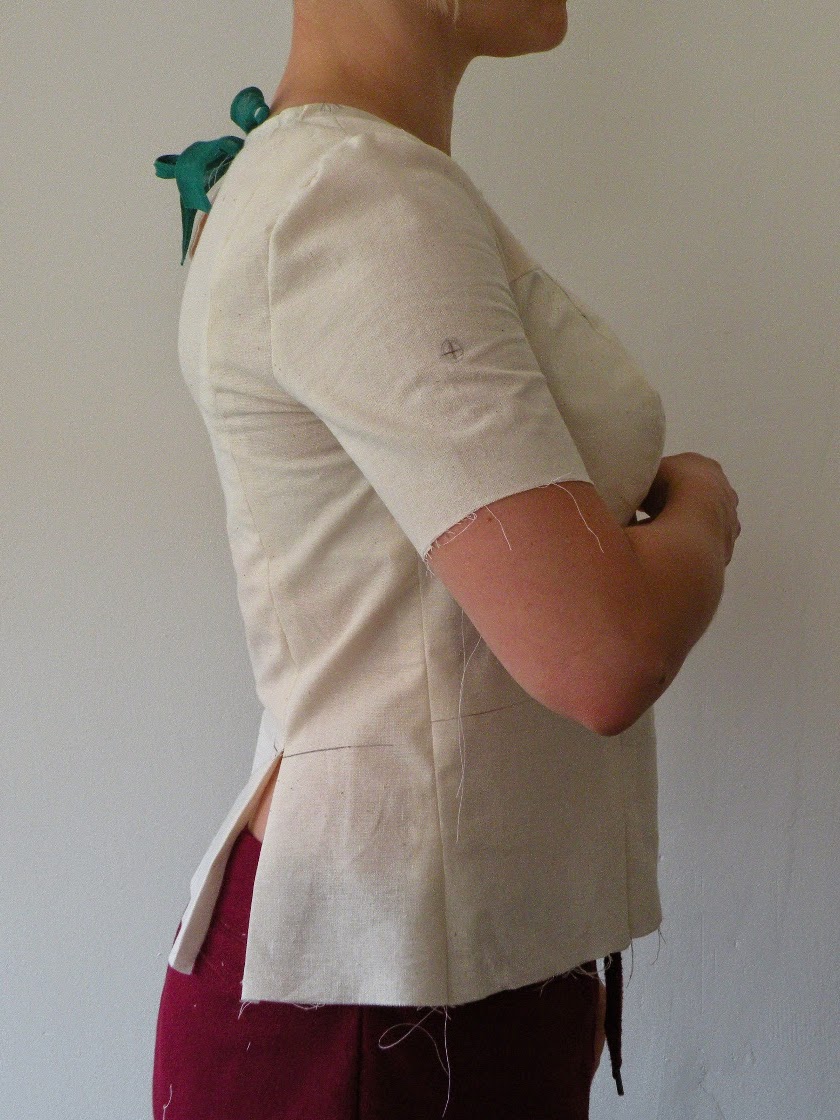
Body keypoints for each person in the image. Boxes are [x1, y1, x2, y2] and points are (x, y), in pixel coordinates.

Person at [151, 1, 741, 1117]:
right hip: (380, 1015)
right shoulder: (354, 200)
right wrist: (706, 506)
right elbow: (602, 652)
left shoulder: (334, 182)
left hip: (426, 979)